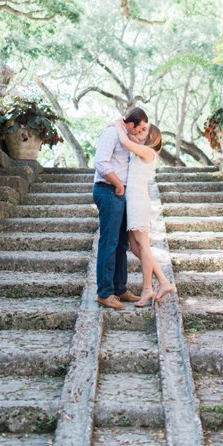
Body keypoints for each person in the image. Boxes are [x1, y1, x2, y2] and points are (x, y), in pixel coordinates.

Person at [92, 105, 150, 311]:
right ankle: (104, 293)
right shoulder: (111, 133)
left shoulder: (124, 134)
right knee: (109, 242)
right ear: (131, 124)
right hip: (108, 190)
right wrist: (117, 184)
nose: (141, 132)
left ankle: (119, 288)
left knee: (121, 244)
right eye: (140, 128)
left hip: (122, 193)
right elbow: (101, 163)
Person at [117, 120, 176, 305]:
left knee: (143, 246)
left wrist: (117, 125)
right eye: (141, 128)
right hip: (133, 201)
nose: (140, 130)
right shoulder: (141, 150)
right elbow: (131, 137)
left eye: (145, 130)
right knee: (135, 248)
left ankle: (149, 289)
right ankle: (163, 282)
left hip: (138, 202)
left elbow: (126, 141)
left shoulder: (148, 152)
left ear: (150, 137)